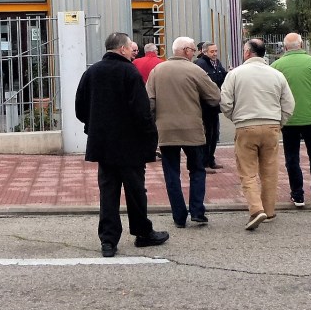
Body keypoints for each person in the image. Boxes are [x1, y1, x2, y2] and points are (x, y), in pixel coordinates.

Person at [75, 32, 169, 257]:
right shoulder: (129, 72)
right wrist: (150, 137)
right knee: (136, 191)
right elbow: (141, 110)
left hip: (103, 144)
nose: (132, 52)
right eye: (130, 48)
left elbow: (80, 107)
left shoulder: (92, 72)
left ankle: (108, 240)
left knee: (108, 192)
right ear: (122, 49)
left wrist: (93, 125)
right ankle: (142, 233)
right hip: (130, 143)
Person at [220, 38, 296, 230]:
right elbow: (289, 104)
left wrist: (235, 117)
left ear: (247, 52)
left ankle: (256, 209)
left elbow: (225, 102)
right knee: (270, 171)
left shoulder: (235, 74)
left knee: (248, 171)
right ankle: (269, 210)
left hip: (245, 126)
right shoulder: (277, 75)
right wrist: (280, 122)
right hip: (271, 126)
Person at [146, 36, 221, 228]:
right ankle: (197, 211)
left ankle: (179, 216)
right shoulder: (195, 70)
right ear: (186, 50)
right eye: (192, 51)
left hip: (166, 130)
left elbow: (150, 102)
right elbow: (214, 97)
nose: (193, 54)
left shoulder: (157, 71)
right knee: (196, 170)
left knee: (171, 173)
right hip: (192, 130)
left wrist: (153, 125)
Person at [271, 33, 311, 207]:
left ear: (285, 47)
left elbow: (274, 92)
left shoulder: (276, 65)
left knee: (291, 157)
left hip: (288, 119)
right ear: (302, 44)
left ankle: (297, 195)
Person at [195, 42, 229, 172]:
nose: (214, 54)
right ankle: (204, 162)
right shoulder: (201, 64)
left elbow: (221, 77)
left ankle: (211, 159)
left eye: (216, 51)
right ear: (204, 52)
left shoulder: (217, 63)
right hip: (205, 105)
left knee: (214, 133)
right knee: (207, 134)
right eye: (212, 51)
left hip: (214, 104)